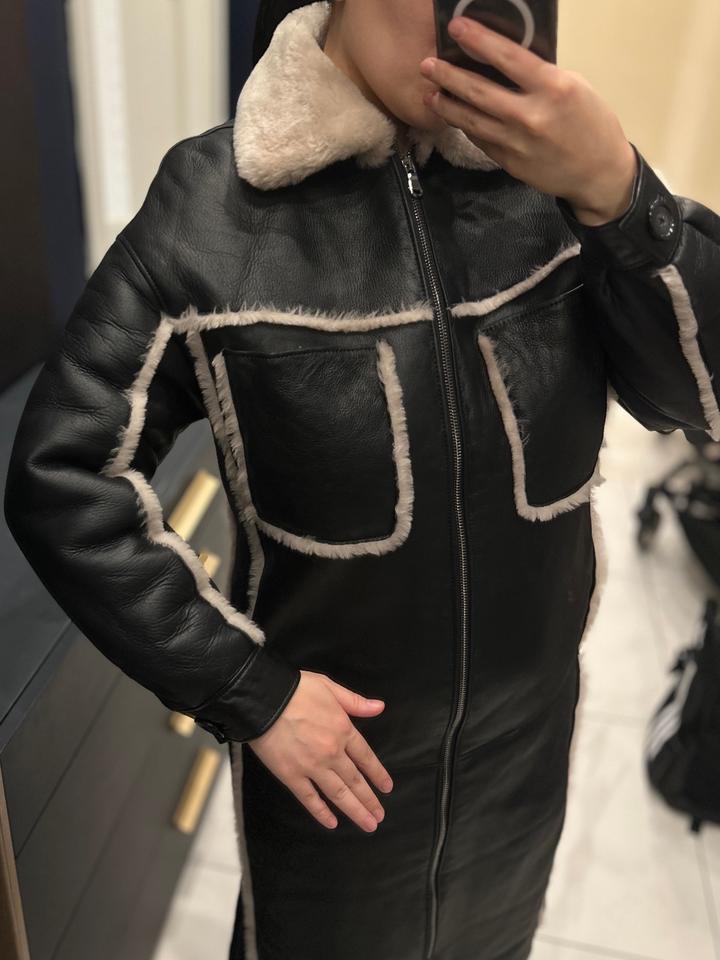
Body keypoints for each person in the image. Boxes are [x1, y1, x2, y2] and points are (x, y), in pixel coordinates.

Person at [6, 1, 720, 958]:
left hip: (524, 757)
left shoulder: (555, 179)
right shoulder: (215, 207)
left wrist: (622, 196)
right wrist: (244, 685)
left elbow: (701, 404)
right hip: (335, 781)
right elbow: (64, 474)